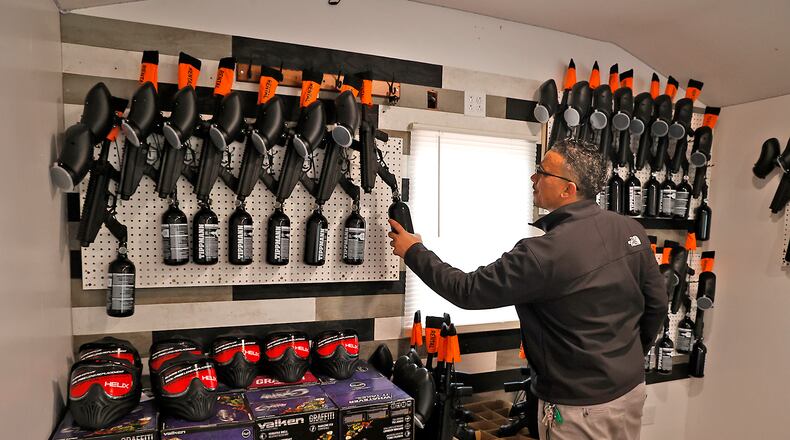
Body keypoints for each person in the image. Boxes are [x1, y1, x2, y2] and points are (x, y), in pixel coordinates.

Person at [388, 138, 668, 440]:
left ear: (568, 189)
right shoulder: (630, 230)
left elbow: (467, 291)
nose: (533, 178)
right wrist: (627, 357)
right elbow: (657, 305)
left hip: (578, 408)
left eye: (542, 172)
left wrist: (414, 251)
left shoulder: (544, 253)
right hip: (630, 392)